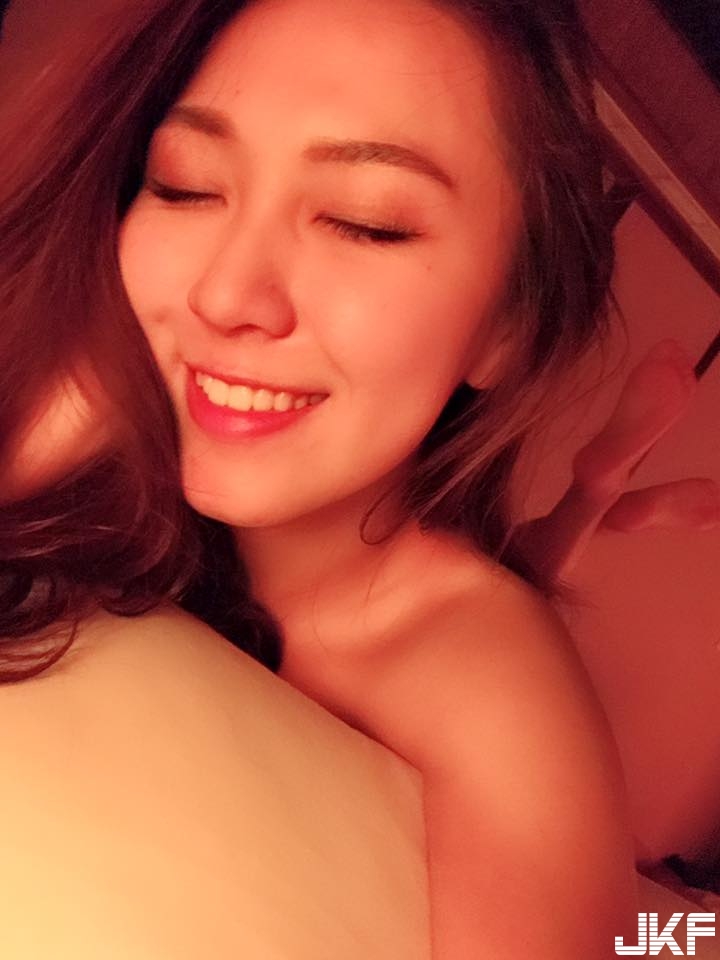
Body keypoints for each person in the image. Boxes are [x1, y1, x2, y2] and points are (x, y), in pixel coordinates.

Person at [1, 0, 718, 956]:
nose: (226, 293)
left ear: (508, 321)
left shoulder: (492, 707)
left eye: (364, 223)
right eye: (184, 186)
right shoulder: (85, 399)